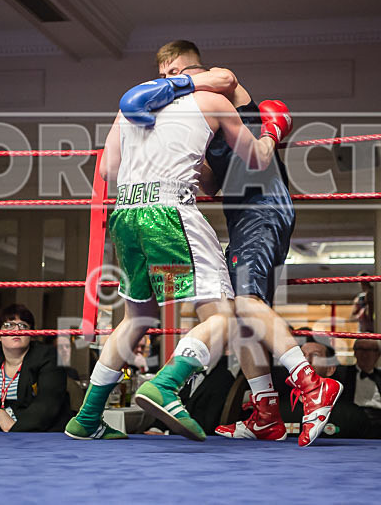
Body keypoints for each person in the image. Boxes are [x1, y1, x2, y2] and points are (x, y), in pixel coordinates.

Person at [67, 61, 340, 446]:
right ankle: (170, 384)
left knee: (139, 317)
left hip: (128, 217)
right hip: (171, 215)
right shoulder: (210, 102)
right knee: (227, 312)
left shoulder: (137, 109)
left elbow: (109, 169)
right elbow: (252, 160)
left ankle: (88, 416)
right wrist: (274, 132)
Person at [0, 304, 70, 432]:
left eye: (23, 325)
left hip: (39, 434)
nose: (17, 330)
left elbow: (47, 405)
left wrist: (14, 430)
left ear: (31, 334)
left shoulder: (48, 356)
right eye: (8, 326)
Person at [335, 339, 381, 440]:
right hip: (352, 419)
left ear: (378, 354)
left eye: (369, 350)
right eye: (361, 349)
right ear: (354, 352)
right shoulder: (341, 373)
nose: (364, 354)